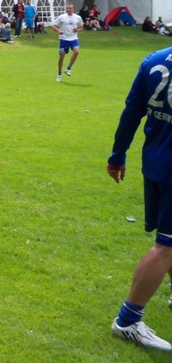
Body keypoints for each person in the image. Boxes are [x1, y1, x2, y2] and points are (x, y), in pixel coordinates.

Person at [107, 45, 172, 351]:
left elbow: (132, 110)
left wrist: (118, 154)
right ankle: (128, 320)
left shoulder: (155, 60)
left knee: (169, 240)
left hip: (155, 163)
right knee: (165, 247)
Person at [52, 3, 83, 81]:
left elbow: (81, 27)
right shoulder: (62, 17)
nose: (68, 9)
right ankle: (59, 73)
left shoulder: (78, 17)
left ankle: (68, 68)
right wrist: (59, 31)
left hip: (73, 39)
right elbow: (54, 26)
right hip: (64, 39)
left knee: (76, 51)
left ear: (73, 9)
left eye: (70, 8)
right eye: (67, 8)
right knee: (61, 57)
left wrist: (77, 30)